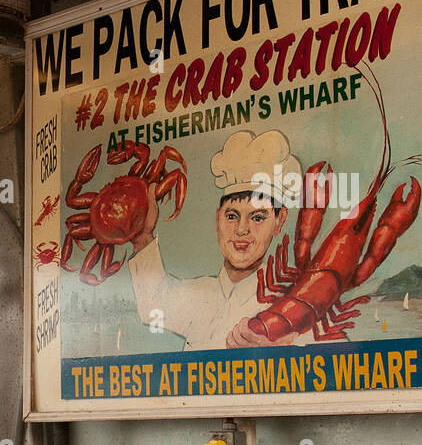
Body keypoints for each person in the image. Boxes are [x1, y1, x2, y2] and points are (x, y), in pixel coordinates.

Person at [126, 129, 309, 350]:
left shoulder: (293, 304)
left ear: (279, 221)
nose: (242, 230)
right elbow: (153, 304)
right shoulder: (200, 294)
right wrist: (142, 236)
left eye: (258, 217)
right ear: (217, 218)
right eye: (231, 216)